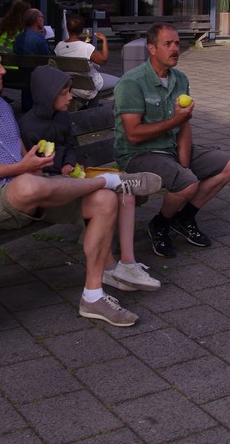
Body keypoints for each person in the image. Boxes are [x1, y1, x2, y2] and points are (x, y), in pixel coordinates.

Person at [0, 37, 163, 326]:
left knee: (104, 201)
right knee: (29, 184)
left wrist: (34, 166)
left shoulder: (1, 107)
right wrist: (22, 168)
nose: (3, 71)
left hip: (32, 189)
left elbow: (22, 156)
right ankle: (109, 180)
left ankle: (93, 296)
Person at [18, 65, 161, 291]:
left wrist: (68, 163)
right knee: (104, 197)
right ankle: (109, 268)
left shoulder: (62, 117)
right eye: (64, 93)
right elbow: (34, 165)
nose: (69, 97)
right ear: (47, 95)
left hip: (74, 174)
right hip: (51, 182)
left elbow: (69, 145)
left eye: (69, 91)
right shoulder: (28, 126)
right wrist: (59, 170)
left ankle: (128, 263)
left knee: (127, 193)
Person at [113, 23, 230, 258]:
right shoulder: (132, 83)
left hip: (169, 149)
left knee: (228, 164)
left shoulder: (180, 79)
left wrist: (184, 163)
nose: (175, 49)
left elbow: (184, 125)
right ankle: (160, 225)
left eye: (177, 44)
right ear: (151, 48)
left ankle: (184, 218)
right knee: (187, 183)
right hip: (138, 154)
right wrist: (175, 122)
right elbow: (133, 134)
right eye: (168, 44)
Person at [54, 13, 120, 104]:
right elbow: (104, 60)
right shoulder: (86, 47)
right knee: (121, 81)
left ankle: (92, 108)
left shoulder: (59, 46)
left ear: (67, 28)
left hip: (71, 86)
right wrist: (104, 40)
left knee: (97, 77)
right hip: (88, 87)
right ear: (82, 30)